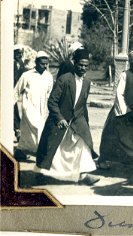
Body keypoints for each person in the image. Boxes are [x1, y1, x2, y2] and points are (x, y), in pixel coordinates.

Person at [35, 49, 99, 185]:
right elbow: (52, 102)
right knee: (53, 148)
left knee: (83, 144)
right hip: (59, 121)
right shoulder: (64, 79)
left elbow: (82, 104)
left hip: (77, 120)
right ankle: (42, 172)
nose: (83, 68)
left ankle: (83, 175)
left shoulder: (87, 82)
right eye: (80, 65)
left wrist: (85, 123)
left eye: (86, 65)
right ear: (75, 63)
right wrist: (59, 118)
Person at [14, 51, 53, 161]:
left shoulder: (49, 77)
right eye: (42, 63)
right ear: (36, 62)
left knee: (35, 132)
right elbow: (17, 91)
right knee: (35, 130)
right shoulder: (27, 75)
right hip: (29, 108)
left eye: (46, 64)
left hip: (43, 109)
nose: (44, 66)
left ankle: (21, 151)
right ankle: (39, 154)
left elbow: (50, 93)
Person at [13, 44, 27, 143]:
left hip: (19, 90)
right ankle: (17, 131)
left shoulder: (21, 63)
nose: (19, 55)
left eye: (20, 53)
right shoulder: (11, 63)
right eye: (17, 53)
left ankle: (18, 132)